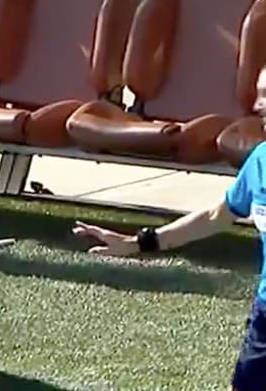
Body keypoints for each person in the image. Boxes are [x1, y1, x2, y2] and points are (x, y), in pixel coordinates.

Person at [73, 77, 266, 391]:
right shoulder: (261, 161)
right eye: (258, 95)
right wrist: (141, 242)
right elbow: (219, 215)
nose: (258, 106)